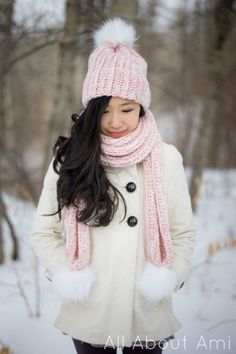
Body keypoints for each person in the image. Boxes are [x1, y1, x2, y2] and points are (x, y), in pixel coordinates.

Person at [30, 17, 196, 354]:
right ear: (91, 111)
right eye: (104, 110)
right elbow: (43, 231)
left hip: (145, 310)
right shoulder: (71, 159)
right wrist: (70, 273)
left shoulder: (165, 159)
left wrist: (169, 276)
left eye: (127, 109)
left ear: (142, 107)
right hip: (91, 310)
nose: (116, 121)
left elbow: (182, 233)